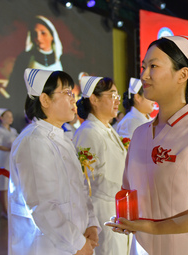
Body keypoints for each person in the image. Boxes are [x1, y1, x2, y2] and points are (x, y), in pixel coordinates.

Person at [105, 36, 188, 255]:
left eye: (153, 66)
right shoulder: (140, 134)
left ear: (183, 75)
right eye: (144, 67)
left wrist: (153, 227)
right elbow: (128, 193)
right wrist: (127, 220)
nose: (144, 75)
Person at [8, 68, 100, 255]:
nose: (73, 98)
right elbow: (42, 205)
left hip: (74, 242)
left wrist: (91, 224)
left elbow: (80, 189)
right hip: (46, 247)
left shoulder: (63, 138)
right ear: (44, 100)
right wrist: (77, 243)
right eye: (66, 93)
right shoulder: (34, 140)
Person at [73, 76, 128, 255]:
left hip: (117, 208)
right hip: (101, 212)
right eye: (112, 95)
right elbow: (82, 182)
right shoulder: (88, 132)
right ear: (94, 99)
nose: (117, 101)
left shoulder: (107, 128)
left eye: (118, 96)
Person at [6, 16, 71, 131]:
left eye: (43, 33)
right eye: (34, 34)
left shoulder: (64, 60)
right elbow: (14, 87)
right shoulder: (24, 58)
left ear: (52, 36)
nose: (39, 38)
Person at [0, 108, 18, 218]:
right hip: (2, 158)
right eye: (7, 116)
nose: (10, 119)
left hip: (12, 159)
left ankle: (10, 209)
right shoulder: (0, 131)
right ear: (1, 118)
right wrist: (9, 148)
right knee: (3, 185)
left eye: (11, 116)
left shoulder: (14, 130)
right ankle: (4, 210)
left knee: (11, 185)